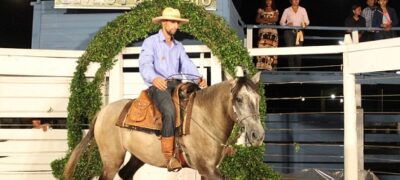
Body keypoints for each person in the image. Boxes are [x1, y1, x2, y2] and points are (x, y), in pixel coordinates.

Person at [139, 7, 207, 171]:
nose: (175, 25)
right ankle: (170, 157)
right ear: (163, 22)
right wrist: (154, 78)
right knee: (169, 111)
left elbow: (187, 65)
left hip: (177, 85)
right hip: (159, 85)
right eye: (172, 21)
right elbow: (145, 64)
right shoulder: (151, 42)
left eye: (177, 22)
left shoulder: (178, 46)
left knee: (196, 105)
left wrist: (197, 78)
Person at [280, 0, 309, 71]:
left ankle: (298, 71)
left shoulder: (303, 9)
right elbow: (281, 22)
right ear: (290, 1)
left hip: (299, 32)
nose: (296, 1)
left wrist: (305, 24)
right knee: (290, 51)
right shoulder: (287, 10)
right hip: (289, 32)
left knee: (298, 52)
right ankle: (292, 71)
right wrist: (287, 24)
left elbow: (307, 21)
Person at [255, 0, 279, 71]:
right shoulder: (260, 10)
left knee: (272, 49)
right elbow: (257, 20)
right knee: (262, 48)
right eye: (267, 0)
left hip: (273, 33)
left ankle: (271, 68)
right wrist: (269, 20)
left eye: (270, 0)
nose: (268, 2)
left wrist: (263, 19)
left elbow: (275, 20)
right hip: (263, 32)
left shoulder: (275, 11)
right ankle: (262, 68)